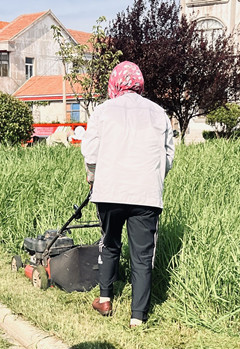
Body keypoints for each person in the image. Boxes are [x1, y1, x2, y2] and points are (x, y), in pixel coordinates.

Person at [81, 61, 175, 327]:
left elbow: (91, 154)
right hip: (146, 195)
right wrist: (154, 178)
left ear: (114, 83)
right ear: (139, 83)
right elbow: (168, 157)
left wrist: (92, 177)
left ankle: (105, 299)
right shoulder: (158, 113)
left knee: (109, 243)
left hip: (109, 191)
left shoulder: (102, 111)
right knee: (142, 256)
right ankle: (138, 317)